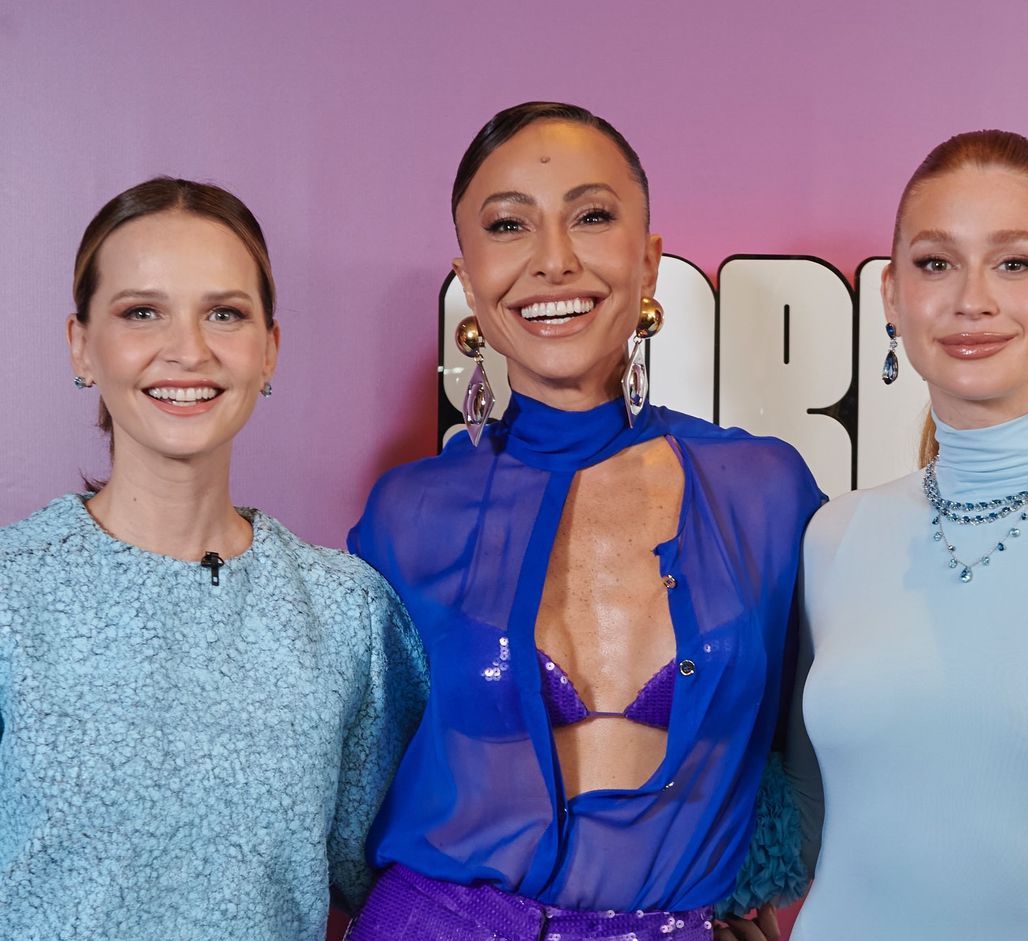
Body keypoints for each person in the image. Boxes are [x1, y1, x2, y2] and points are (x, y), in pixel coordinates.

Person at [346, 102, 823, 941]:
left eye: (592, 217)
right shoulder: (405, 514)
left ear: (648, 260)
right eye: (509, 226)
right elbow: (350, 786)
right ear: (468, 274)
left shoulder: (765, 491)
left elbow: (817, 750)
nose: (552, 260)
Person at [0, 178, 427, 941]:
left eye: (224, 313)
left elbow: (396, 884)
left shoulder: (347, 615)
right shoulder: (9, 594)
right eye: (141, 312)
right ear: (81, 344)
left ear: (269, 348)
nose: (188, 350)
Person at [787, 130, 1028, 941]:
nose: (971, 298)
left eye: (1014, 263)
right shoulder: (832, 537)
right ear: (891, 296)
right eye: (935, 262)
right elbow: (811, 831)